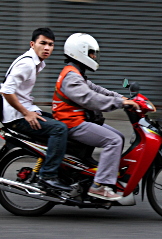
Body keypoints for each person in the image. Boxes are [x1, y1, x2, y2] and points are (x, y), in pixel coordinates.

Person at [52, 33, 139, 201]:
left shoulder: (76, 74)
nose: (94, 57)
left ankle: (107, 177)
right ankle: (99, 186)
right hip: (72, 124)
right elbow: (91, 99)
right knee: (113, 140)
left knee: (119, 136)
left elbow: (98, 90)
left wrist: (122, 98)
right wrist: (119, 103)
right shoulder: (71, 77)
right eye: (91, 53)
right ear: (80, 52)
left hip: (79, 121)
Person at [0, 27, 70, 191]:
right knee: (59, 129)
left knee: (60, 121)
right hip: (17, 117)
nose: (47, 48)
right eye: (43, 43)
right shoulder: (27, 63)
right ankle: (48, 176)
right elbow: (6, 91)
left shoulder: (36, 62)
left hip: (24, 110)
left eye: (51, 45)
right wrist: (27, 113)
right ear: (33, 44)